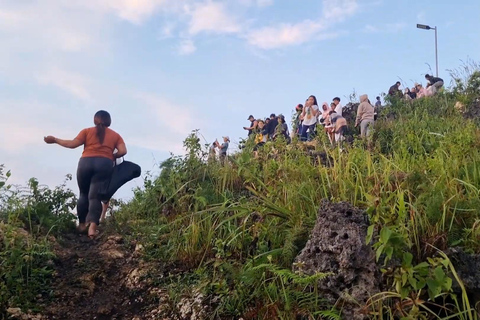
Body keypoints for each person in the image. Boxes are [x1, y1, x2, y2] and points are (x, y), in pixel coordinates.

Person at [44, 110, 126, 239]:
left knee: (83, 193)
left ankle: (82, 225)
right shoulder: (115, 136)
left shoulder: (86, 131)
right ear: (109, 122)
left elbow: (72, 144)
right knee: (95, 197)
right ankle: (92, 228)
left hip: (85, 163)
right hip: (104, 164)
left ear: (95, 120)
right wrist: (111, 156)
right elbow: (123, 151)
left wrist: (54, 140)